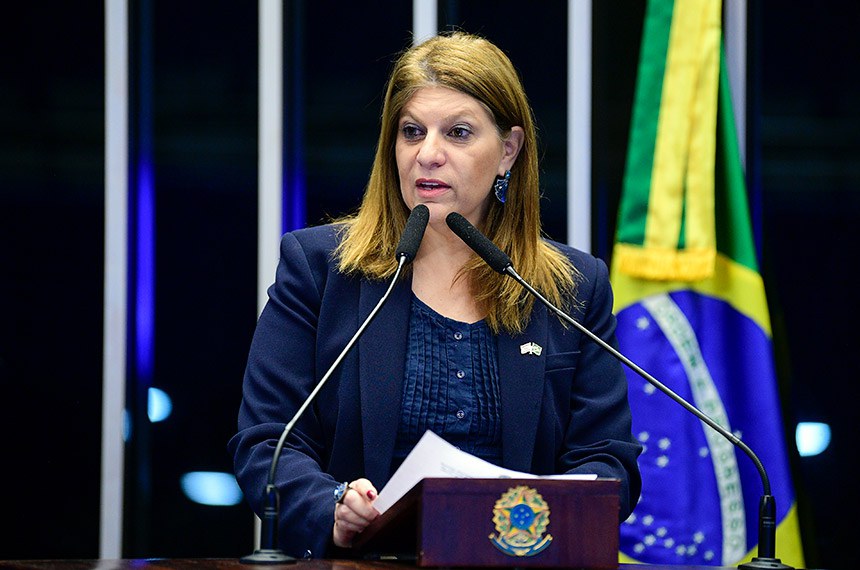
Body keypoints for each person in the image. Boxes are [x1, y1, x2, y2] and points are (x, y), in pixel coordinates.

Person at [228, 31, 642, 559]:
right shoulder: (321, 270)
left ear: (508, 151)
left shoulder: (571, 289)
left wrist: (546, 514)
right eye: (411, 132)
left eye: (459, 133)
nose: (428, 154)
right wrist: (331, 505)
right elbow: (267, 440)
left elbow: (609, 460)